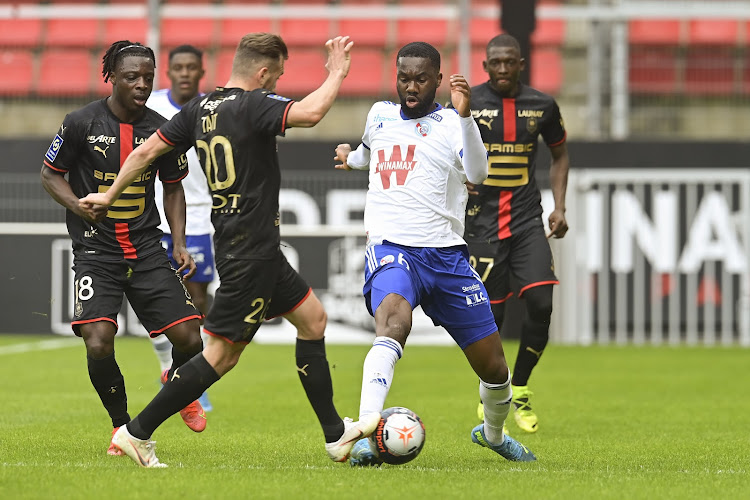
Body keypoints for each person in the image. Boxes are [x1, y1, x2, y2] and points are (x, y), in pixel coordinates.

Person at [79, 33, 377, 469]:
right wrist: (336, 73)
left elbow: (145, 152)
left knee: (313, 320)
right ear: (262, 72)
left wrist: (108, 195)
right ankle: (136, 432)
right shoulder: (253, 104)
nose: (277, 82)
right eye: (277, 74)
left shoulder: (200, 109)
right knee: (221, 356)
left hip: (256, 248)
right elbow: (311, 113)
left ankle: (335, 434)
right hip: (250, 251)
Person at [333, 41, 536, 465]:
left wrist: (465, 116)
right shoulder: (379, 115)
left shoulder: (451, 123)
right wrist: (350, 159)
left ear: (437, 80)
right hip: (392, 248)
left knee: (496, 371)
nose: (411, 86)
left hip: (446, 259)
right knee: (393, 321)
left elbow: (479, 172)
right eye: (404, 77)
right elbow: (370, 155)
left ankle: (494, 435)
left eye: (420, 78)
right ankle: (369, 426)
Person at [40, 40, 208, 456]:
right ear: (111, 76)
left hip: (148, 246)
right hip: (97, 250)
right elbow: (49, 174)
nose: (141, 84)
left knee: (191, 340)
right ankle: (122, 428)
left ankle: (178, 384)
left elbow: (173, 188)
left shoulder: (161, 128)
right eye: (132, 76)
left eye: (148, 77)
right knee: (98, 341)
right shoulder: (80, 122)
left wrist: (180, 242)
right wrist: (78, 206)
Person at [467, 33, 570, 433]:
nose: (504, 69)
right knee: (489, 317)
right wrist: (459, 181)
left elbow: (560, 154)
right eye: (497, 62)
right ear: (486, 66)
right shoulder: (468, 103)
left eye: (511, 62)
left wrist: (560, 207)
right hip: (481, 224)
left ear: (521, 64)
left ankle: (522, 386)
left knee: (541, 304)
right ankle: (493, 390)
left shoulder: (542, 105)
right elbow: (440, 151)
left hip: (527, 220)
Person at [147, 44, 214, 412]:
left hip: (200, 215)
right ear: (169, 72)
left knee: (197, 299)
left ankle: (186, 377)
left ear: (201, 71)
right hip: (152, 214)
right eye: (179, 67)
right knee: (153, 297)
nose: (185, 73)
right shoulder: (151, 106)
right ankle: (165, 362)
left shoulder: (212, 110)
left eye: (192, 67)